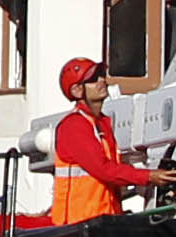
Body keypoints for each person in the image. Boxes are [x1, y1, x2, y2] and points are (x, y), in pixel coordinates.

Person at [45, 58, 156, 227]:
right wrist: (149, 176)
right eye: (93, 79)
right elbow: (104, 169)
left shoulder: (101, 123)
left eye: (101, 75)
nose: (102, 80)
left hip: (101, 223)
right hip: (78, 228)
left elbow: (110, 175)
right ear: (76, 90)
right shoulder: (74, 126)